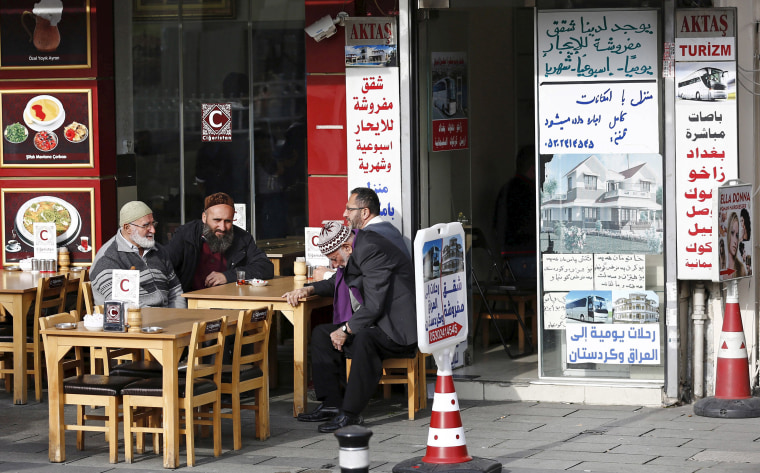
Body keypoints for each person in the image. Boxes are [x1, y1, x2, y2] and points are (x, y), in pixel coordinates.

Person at [282, 221, 417, 433]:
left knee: (365, 339)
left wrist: (346, 330)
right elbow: (338, 280)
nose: (334, 265)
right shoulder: (356, 248)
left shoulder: (371, 250)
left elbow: (374, 305)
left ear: (346, 247)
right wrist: (309, 289)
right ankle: (332, 404)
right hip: (375, 320)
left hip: (396, 326)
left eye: (334, 259)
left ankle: (351, 413)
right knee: (321, 334)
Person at [165, 192, 274, 292]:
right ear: (204, 217)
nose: (222, 227)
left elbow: (266, 267)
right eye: (217, 220)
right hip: (189, 304)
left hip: (230, 302)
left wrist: (227, 276)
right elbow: (163, 265)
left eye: (228, 221)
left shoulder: (242, 238)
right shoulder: (186, 235)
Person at [90, 201, 186, 308]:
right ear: (127, 228)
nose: (153, 230)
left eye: (153, 224)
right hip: (132, 321)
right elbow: (126, 305)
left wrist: (178, 317)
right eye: (146, 225)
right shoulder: (108, 258)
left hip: (165, 319)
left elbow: (175, 292)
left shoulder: (159, 250)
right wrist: (164, 319)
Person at [494, 145, 536, 255]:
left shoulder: (506, 189)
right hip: (527, 253)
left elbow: (496, 225)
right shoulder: (531, 193)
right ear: (533, 170)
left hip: (509, 254)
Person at [726, 212, 747, 277]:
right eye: (732, 233)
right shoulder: (722, 268)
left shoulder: (741, 268)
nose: (735, 241)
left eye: (737, 235)